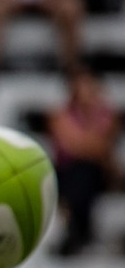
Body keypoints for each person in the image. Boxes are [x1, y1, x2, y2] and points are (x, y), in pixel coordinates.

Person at [49, 68, 117, 257]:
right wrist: (90, 144)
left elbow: (100, 146)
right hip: (68, 172)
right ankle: (80, 232)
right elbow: (74, 143)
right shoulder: (60, 113)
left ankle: (77, 233)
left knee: (83, 175)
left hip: (93, 174)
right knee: (77, 176)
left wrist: (86, 145)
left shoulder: (106, 114)